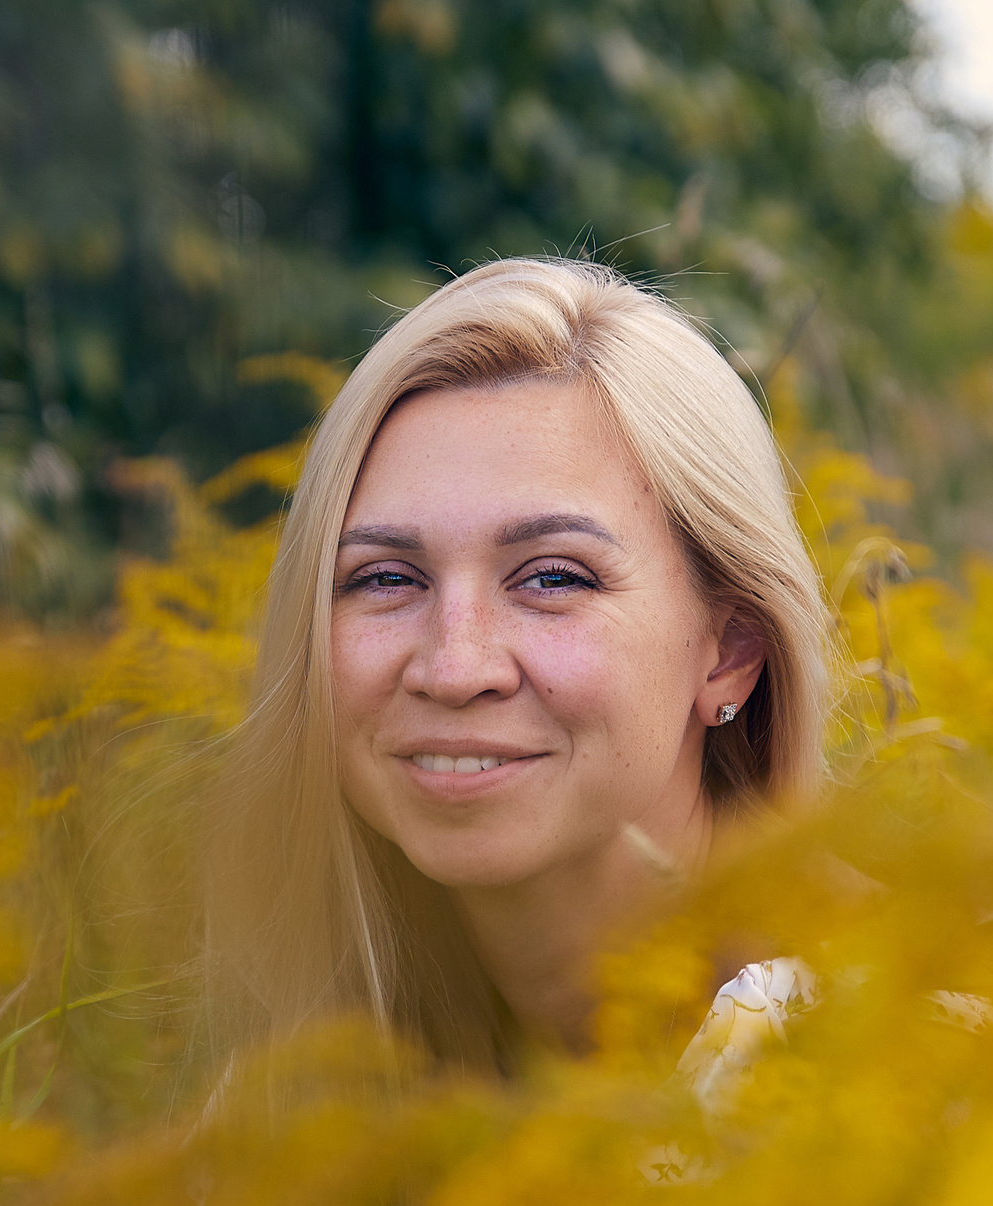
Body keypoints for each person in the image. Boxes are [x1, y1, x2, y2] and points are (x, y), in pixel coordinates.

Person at [207, 256, 833, 1071]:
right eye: (385, 578)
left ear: (732, 652)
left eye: (552, 576)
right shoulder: (283, 1084)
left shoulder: (924, 1082)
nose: (455, 666)